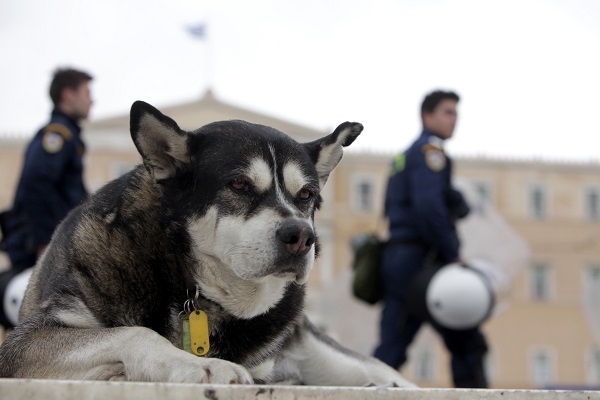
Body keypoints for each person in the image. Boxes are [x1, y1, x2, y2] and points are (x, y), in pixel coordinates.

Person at [373, 90, 489, 388]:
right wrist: (453, 254)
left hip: (400, 259)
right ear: (427, 115)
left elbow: (400, 204)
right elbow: (428, 207)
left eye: (456, 114)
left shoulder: (404, 156)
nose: (455, 120)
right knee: (467, 340)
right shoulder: (431, 152)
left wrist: (453, 199)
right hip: (423, 260)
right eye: (448, 113)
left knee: (390, 350)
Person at [0, 67, 92, 281]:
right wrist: (45, 243)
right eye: (87, 93)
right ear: (68, 95)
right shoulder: (57, 135)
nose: (92, 101)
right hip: (39, 250)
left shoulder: (69, 136)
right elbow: (36, 183)